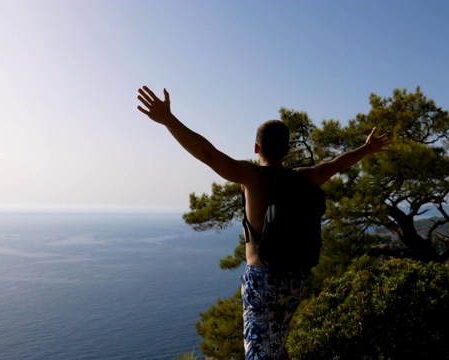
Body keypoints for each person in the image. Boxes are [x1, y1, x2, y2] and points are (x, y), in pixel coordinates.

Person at [137, 86, 392, 360]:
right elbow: (337, 163)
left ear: (256, 148)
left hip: (262, 281)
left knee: (263, 353)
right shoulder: (305, 177)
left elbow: (208, 154)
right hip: (294, 279)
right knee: (278, 345)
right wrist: (366, 149)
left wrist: (168, 120)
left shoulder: (253, 177)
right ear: (287, 149)